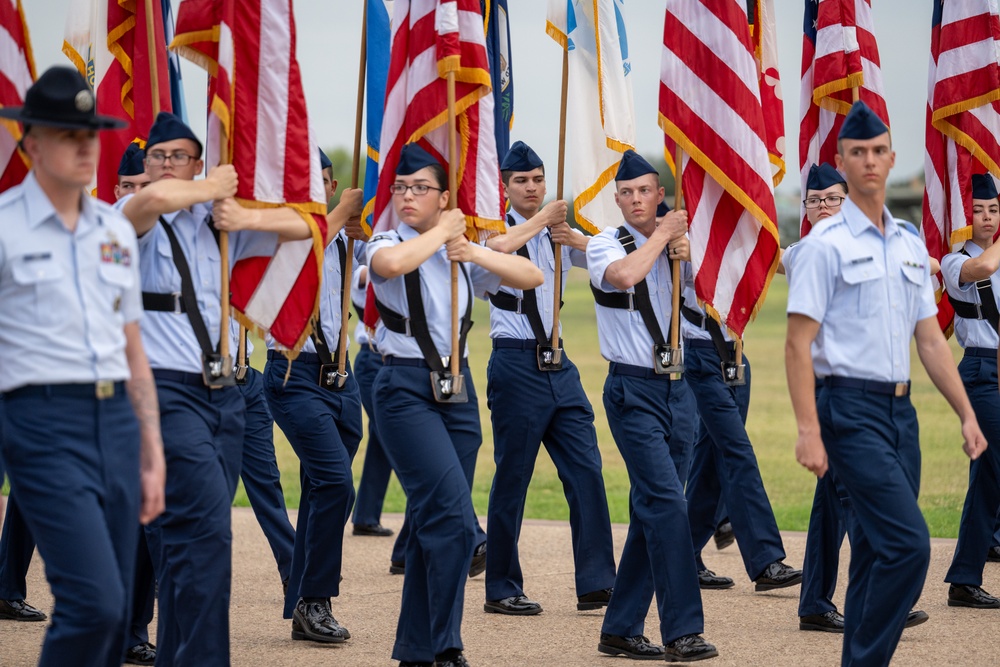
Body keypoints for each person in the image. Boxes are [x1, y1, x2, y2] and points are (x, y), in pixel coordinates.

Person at [786, 100, 987, 666]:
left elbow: (928, 340)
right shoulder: (822, 248)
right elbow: (797, 344)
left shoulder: (906, 244)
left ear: (892, 159)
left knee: (876, 551)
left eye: (878, 152)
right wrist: (807, 429)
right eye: (858, 153)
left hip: (902, 414)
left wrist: (967, 413)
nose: (869, 161)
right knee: (910, 546)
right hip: (846, 408)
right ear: (842, 161)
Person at [117, 111, 316, 666]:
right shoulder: (133, 214)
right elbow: (145, 204)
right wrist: (205, 187)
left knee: (189, 546)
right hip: (164, 391)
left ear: (198, 160)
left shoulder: (217, 218)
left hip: (225, 394)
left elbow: (306, 227)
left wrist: (244, 212)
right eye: (157, 156)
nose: (164, 165)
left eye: (178, 156)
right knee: (208, 537)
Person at [0, 65, 165, 667]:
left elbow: (132, 345)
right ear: (32, 143)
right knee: (91, 601)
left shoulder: (113, 232)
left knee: (114, 609)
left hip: (117, 419)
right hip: (40, 421)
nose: (85, 147)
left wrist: (151, 446)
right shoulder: (5, 229)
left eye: (91, 134)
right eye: (69, 135)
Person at [367, 143, 542, 667]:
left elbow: (530, 278)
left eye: (421, 187)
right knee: (455, 523)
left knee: (430, 525)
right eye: (401, 187)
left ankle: (415, 651)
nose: (407, 195)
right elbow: (392, 265)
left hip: (457, 396)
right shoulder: (383, 241)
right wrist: (444, 234)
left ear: (445, 197)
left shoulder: (458, 253)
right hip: (403, 391)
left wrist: (473, 250)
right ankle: (445, 647)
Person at [587, 149, 717, 662]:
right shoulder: (604, 244)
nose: (637, 199)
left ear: (660, 193)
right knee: (668, 504)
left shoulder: (680, 245)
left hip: (677, 388)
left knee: (652, 511)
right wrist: (663, 237)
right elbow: (622, 277)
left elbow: (709, 298)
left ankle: (620, 628)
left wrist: (686, 248)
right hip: (632, 391)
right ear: (617, 199)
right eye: (627, 193)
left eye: (645, 190)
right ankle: (682, 629)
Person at [481, 140, 616, 616]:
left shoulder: (553, 230)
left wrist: (575, 237)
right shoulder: (494, 231)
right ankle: (500, 585)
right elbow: (496, 250)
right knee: (513, 478)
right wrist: (540, 222)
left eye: (538, 179)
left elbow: (607, 263)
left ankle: (598, 581)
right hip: (515, 363)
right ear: (505, 187)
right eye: (522, 181)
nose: (532, 187)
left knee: (586, 469)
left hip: (559, 362)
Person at [262, 147, 364, 644]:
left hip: (341, 379)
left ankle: (302, 598)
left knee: (323, 491)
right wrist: (343, 211)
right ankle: (315, 599)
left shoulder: (343, 235)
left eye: (327, 180)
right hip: (292, 375)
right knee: (336, 483)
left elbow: (386, 247)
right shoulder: (282, 228)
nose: (321, 188)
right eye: (311, 180)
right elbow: (309, 239)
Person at [941, 173, 1000, 609]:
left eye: (994, 209)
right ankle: (966, 574)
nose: (986, 217)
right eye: (978, 209)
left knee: (988, 475)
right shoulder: (953, 259)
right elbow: (981, 269)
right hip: (981, 370)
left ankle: (965, 576)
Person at [350, 262, 396, 538]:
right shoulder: (366, 266)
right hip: (372, 359)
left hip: (398, 362)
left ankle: (366, 515)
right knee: (394, 436)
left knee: (383, 437)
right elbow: (366, 273)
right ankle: (449, 516)